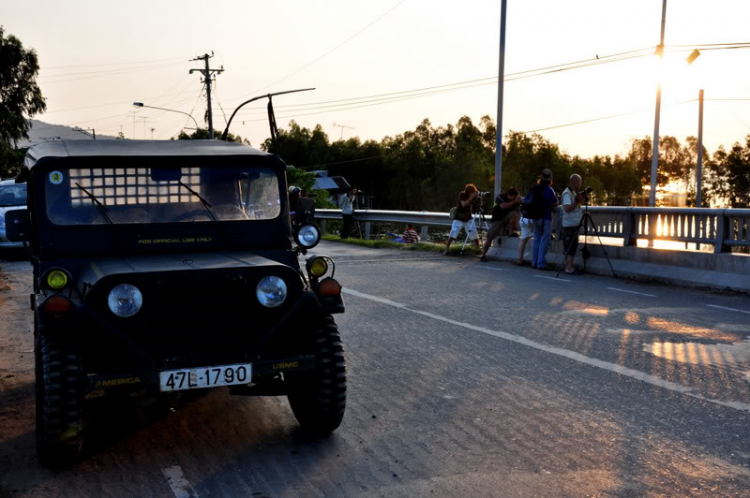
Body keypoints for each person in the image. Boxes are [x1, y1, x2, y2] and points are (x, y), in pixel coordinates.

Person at [524, 169, 558, 270]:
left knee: (536, 239)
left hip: (535, 217)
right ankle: (541, 263)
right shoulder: (549, 190)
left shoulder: (535, 188)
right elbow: (555, 202)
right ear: (550, 179)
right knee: (544, 240)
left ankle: (534, 262)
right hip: (546, 217)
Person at [479, 187, 522, 262]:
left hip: (506, 217)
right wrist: (514, 202)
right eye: (513, 198)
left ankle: (510, 232)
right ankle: (483, 255)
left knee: (516, 213)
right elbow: (503, 206)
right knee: (490, 236)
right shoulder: (500, 197)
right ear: (510, 195)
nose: (514, 199)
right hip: (497, 218)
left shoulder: (516, 200)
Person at [444, 184, 480, 255]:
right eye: (472, 192)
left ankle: (478, 248)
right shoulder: (462, 194)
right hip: (459, 217)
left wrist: (478, 200)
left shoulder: (473, 197)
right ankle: (446, 249)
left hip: (468, 217)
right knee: (453, 232)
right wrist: (471, 198)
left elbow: (477, 207)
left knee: (474, 232)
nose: (473, 193)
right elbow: (463, 204)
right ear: (469, 192)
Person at [561, 174, 585, 275]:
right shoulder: (567, 193)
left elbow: (575, 206)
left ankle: (570, 266)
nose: (580, 184)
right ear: (576, 182)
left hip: (573, 224)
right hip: (569, 225)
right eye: (580, 182)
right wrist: (577, 202)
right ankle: (568, 267)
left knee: (573, 246)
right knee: (570, 247)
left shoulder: (573, 192)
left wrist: (580, 200)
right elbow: (567, 208)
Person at [516, 199, 534, 266]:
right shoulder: (537, 199)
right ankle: (535, 260)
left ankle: (520, 259)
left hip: (523, 220)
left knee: (523, 240)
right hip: (531, 220)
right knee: (537, 238)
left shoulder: (526, 200)